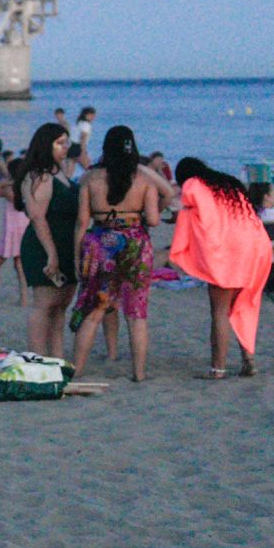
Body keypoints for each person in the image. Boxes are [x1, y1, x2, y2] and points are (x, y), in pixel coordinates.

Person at [69, 126, 161, 382]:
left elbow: (82, 221)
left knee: (95, 309)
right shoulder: (144, 181)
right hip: (136, 244)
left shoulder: (90, 179)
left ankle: (77, 369)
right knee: (136, 312)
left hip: (100, 242)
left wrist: (78, 256)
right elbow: (153, 220)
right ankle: (139, 373)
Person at [170, 160, 271, 379]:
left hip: (228, 252)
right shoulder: (230, 185)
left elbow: (183, 207)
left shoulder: (193, 184)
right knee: (244, 307)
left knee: (220, 310)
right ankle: (248, 362)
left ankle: (218, 369)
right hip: (256, 247)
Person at [17, 123, 77, 358]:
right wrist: (51, 253)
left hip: (67, 244)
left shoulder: (60, 173)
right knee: (44, 305)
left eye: (66, 143)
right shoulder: (40, 175)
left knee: (61, 306)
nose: (65, 148)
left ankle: (57, 358)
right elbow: (37, 216)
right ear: (46, 144)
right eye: (60, 143)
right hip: (43, 245)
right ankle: (38, 357)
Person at [0, 154, 30, 308]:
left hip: (11, 230)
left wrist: (6, 180)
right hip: (24, 228)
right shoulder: (27, 186)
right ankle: (23, 300)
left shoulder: (10, 189)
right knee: (20, 266)